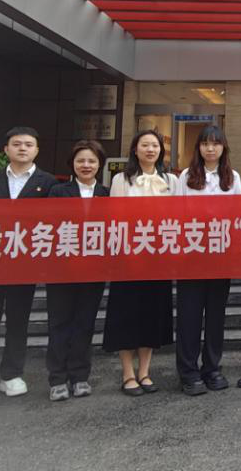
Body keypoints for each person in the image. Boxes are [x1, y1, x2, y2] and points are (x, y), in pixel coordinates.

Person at [0, 127, 58, 406]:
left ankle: (12, 374)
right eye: (16, 144)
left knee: (18, 321)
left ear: (37, 150)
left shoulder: (48, 183)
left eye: (28, 144)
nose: (22, 148)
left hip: (24, 265)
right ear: (6, 149)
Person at [103, 130, 177, 397]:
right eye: (144, 145)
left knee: (151, 314)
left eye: (155, 145)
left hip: (158, 257)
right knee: (126, 314)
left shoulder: (171, 180)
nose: (150, 149)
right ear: (135, 149)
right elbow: (115, 217)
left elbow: (177, 217)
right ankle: (127, 373)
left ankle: (145, 371)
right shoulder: (121, 179)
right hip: (128, 257)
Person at [176, 124, 241, 396]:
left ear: (223, 147)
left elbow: (238, 216)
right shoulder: (186, 176)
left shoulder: (233, 177)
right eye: (205, 144)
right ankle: (188, 372)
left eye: (215, 143)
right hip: (191, 256)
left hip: (220, 256)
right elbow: (177, 214)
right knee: (189, 317)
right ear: (199, 148)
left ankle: (212, 368)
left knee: (216, 316)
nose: (210, 148)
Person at [45, 140, 110, 402]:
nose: (86, 165)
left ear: (99, 165)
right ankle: (57, 378)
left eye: (92, 161)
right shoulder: (57, 192)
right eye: (81, 160)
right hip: (61, 269)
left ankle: (80, 376)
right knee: (59, 323)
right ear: (72, 164)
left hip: (93, 270)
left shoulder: (106, 194)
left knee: (85, 323)